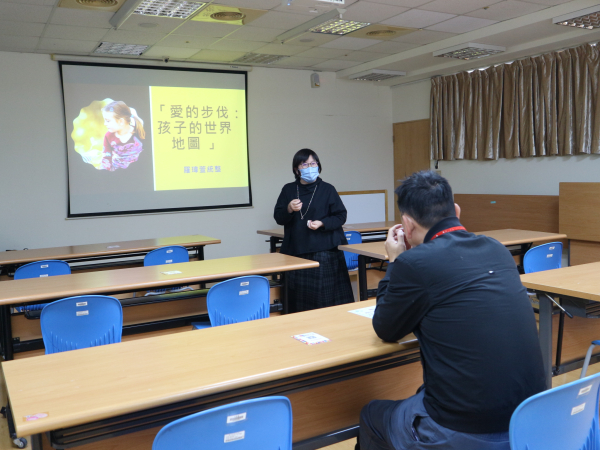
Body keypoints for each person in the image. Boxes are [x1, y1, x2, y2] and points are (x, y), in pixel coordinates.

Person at [357, 170, 546, 450]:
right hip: (529, 421)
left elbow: (385, 328)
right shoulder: (496, 249)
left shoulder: (414, 263)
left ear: (406, 225)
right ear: (456, 211)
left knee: (371, 414)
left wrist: (395, 261)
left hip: (464, 429)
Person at [273, 148, 354, 312]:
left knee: (325, 299)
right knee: (298, 299)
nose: (310, 167)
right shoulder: (288, 189)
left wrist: (322, 223)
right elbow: (279, 217)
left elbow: (341, 216)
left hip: (325, 251)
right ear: (296, 169)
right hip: (296, 250)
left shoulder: (327, 189)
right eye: (305, 164)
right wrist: (289, 208)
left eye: (313, 163)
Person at [99, 101, 145, 171]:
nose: (105, 124)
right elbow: (106, 158)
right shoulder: (108, 136)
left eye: (108, 121)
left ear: (121, 121)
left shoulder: (138, 132)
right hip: (116, 173)